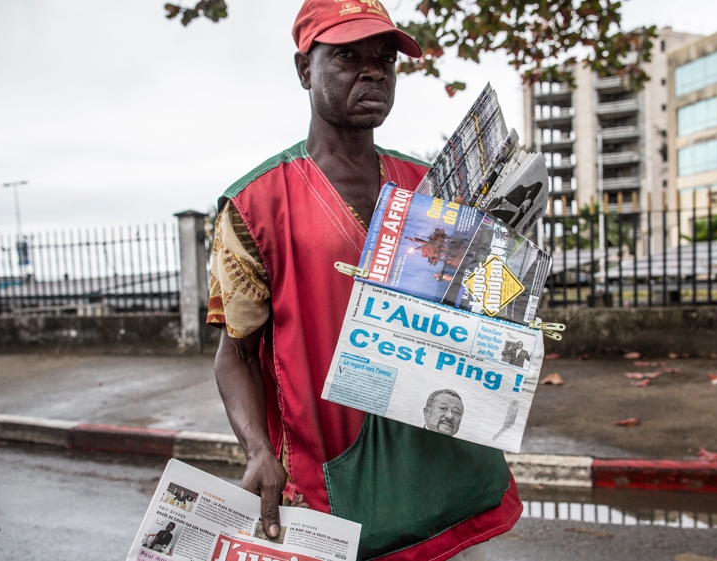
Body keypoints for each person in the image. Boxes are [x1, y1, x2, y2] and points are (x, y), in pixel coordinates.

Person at [207, 1, 522, 559]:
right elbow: (235, 352)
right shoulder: (255, 205)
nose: (373, 70)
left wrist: (504, 263)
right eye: (347, 57)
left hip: (447, 475)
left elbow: (480, 312)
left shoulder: (430, 185)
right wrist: (257, 448)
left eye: (384, 59)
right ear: (305, 69)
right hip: (336, 482)